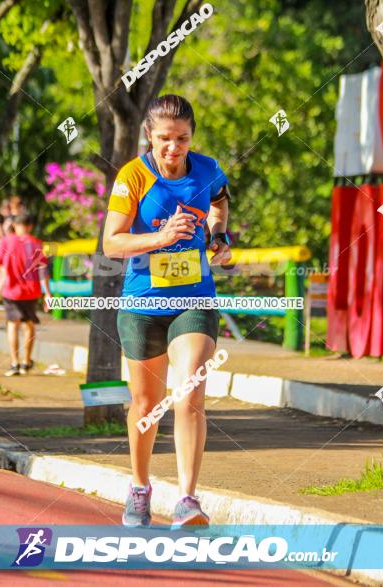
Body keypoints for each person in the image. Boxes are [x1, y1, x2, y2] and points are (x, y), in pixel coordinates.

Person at [102, 94, 232, 529]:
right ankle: (140, 487)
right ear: (148, 136)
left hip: (195, 297)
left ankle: (188, 500)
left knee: (191, 391)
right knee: (145, 403)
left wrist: (219, 237)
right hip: (142, 302)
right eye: (164, 139)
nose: (174, 148)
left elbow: (219, 202)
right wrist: (160, 238)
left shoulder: (208, 169)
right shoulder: (133, 176)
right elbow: (112, 243)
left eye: (182, 139)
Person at [0, 213, 50, 376]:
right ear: (30, 226)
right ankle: (26, 362)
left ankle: (14, 363)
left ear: (15, 225)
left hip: (11, 291)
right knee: (29, 324)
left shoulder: (5, 242)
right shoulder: (37, 244)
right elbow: (43, 272)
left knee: (12, 325)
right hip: (31, 292)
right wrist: (48, 294)